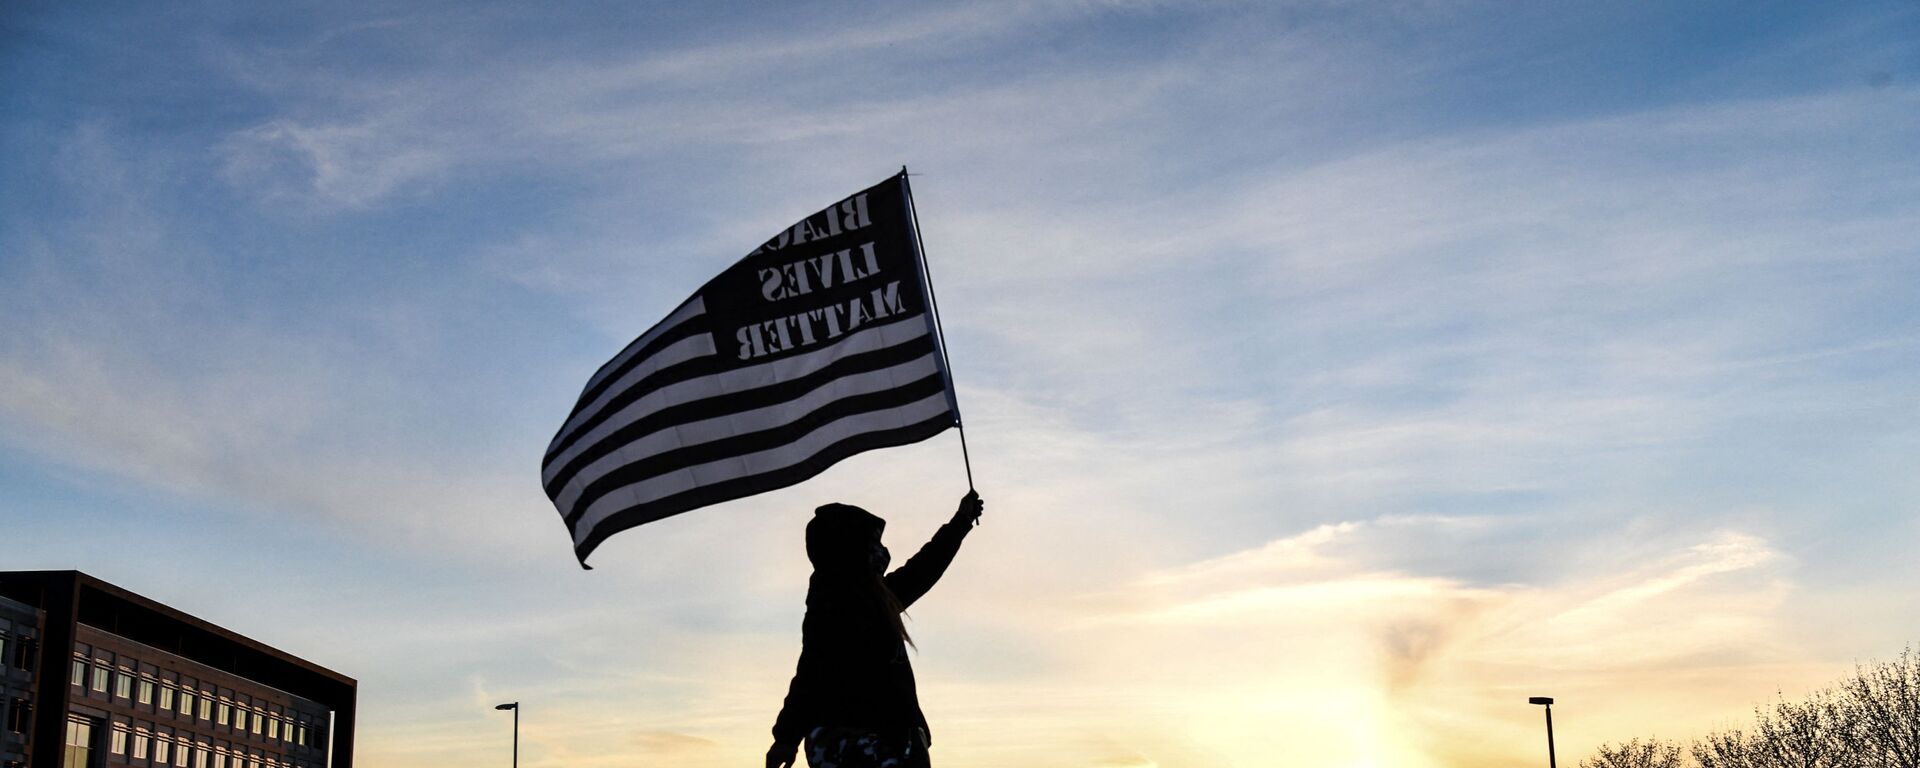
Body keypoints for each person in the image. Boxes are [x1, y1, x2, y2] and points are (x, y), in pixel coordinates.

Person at [766, 490, 985, 768]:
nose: (882, 552)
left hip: (889, 745)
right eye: (872, 544)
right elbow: (810, 671)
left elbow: (925, 567)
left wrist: (961, 522)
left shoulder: (877, 597)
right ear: (849, 549)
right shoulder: (835, 607)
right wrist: (785, 738)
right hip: (861, 749)